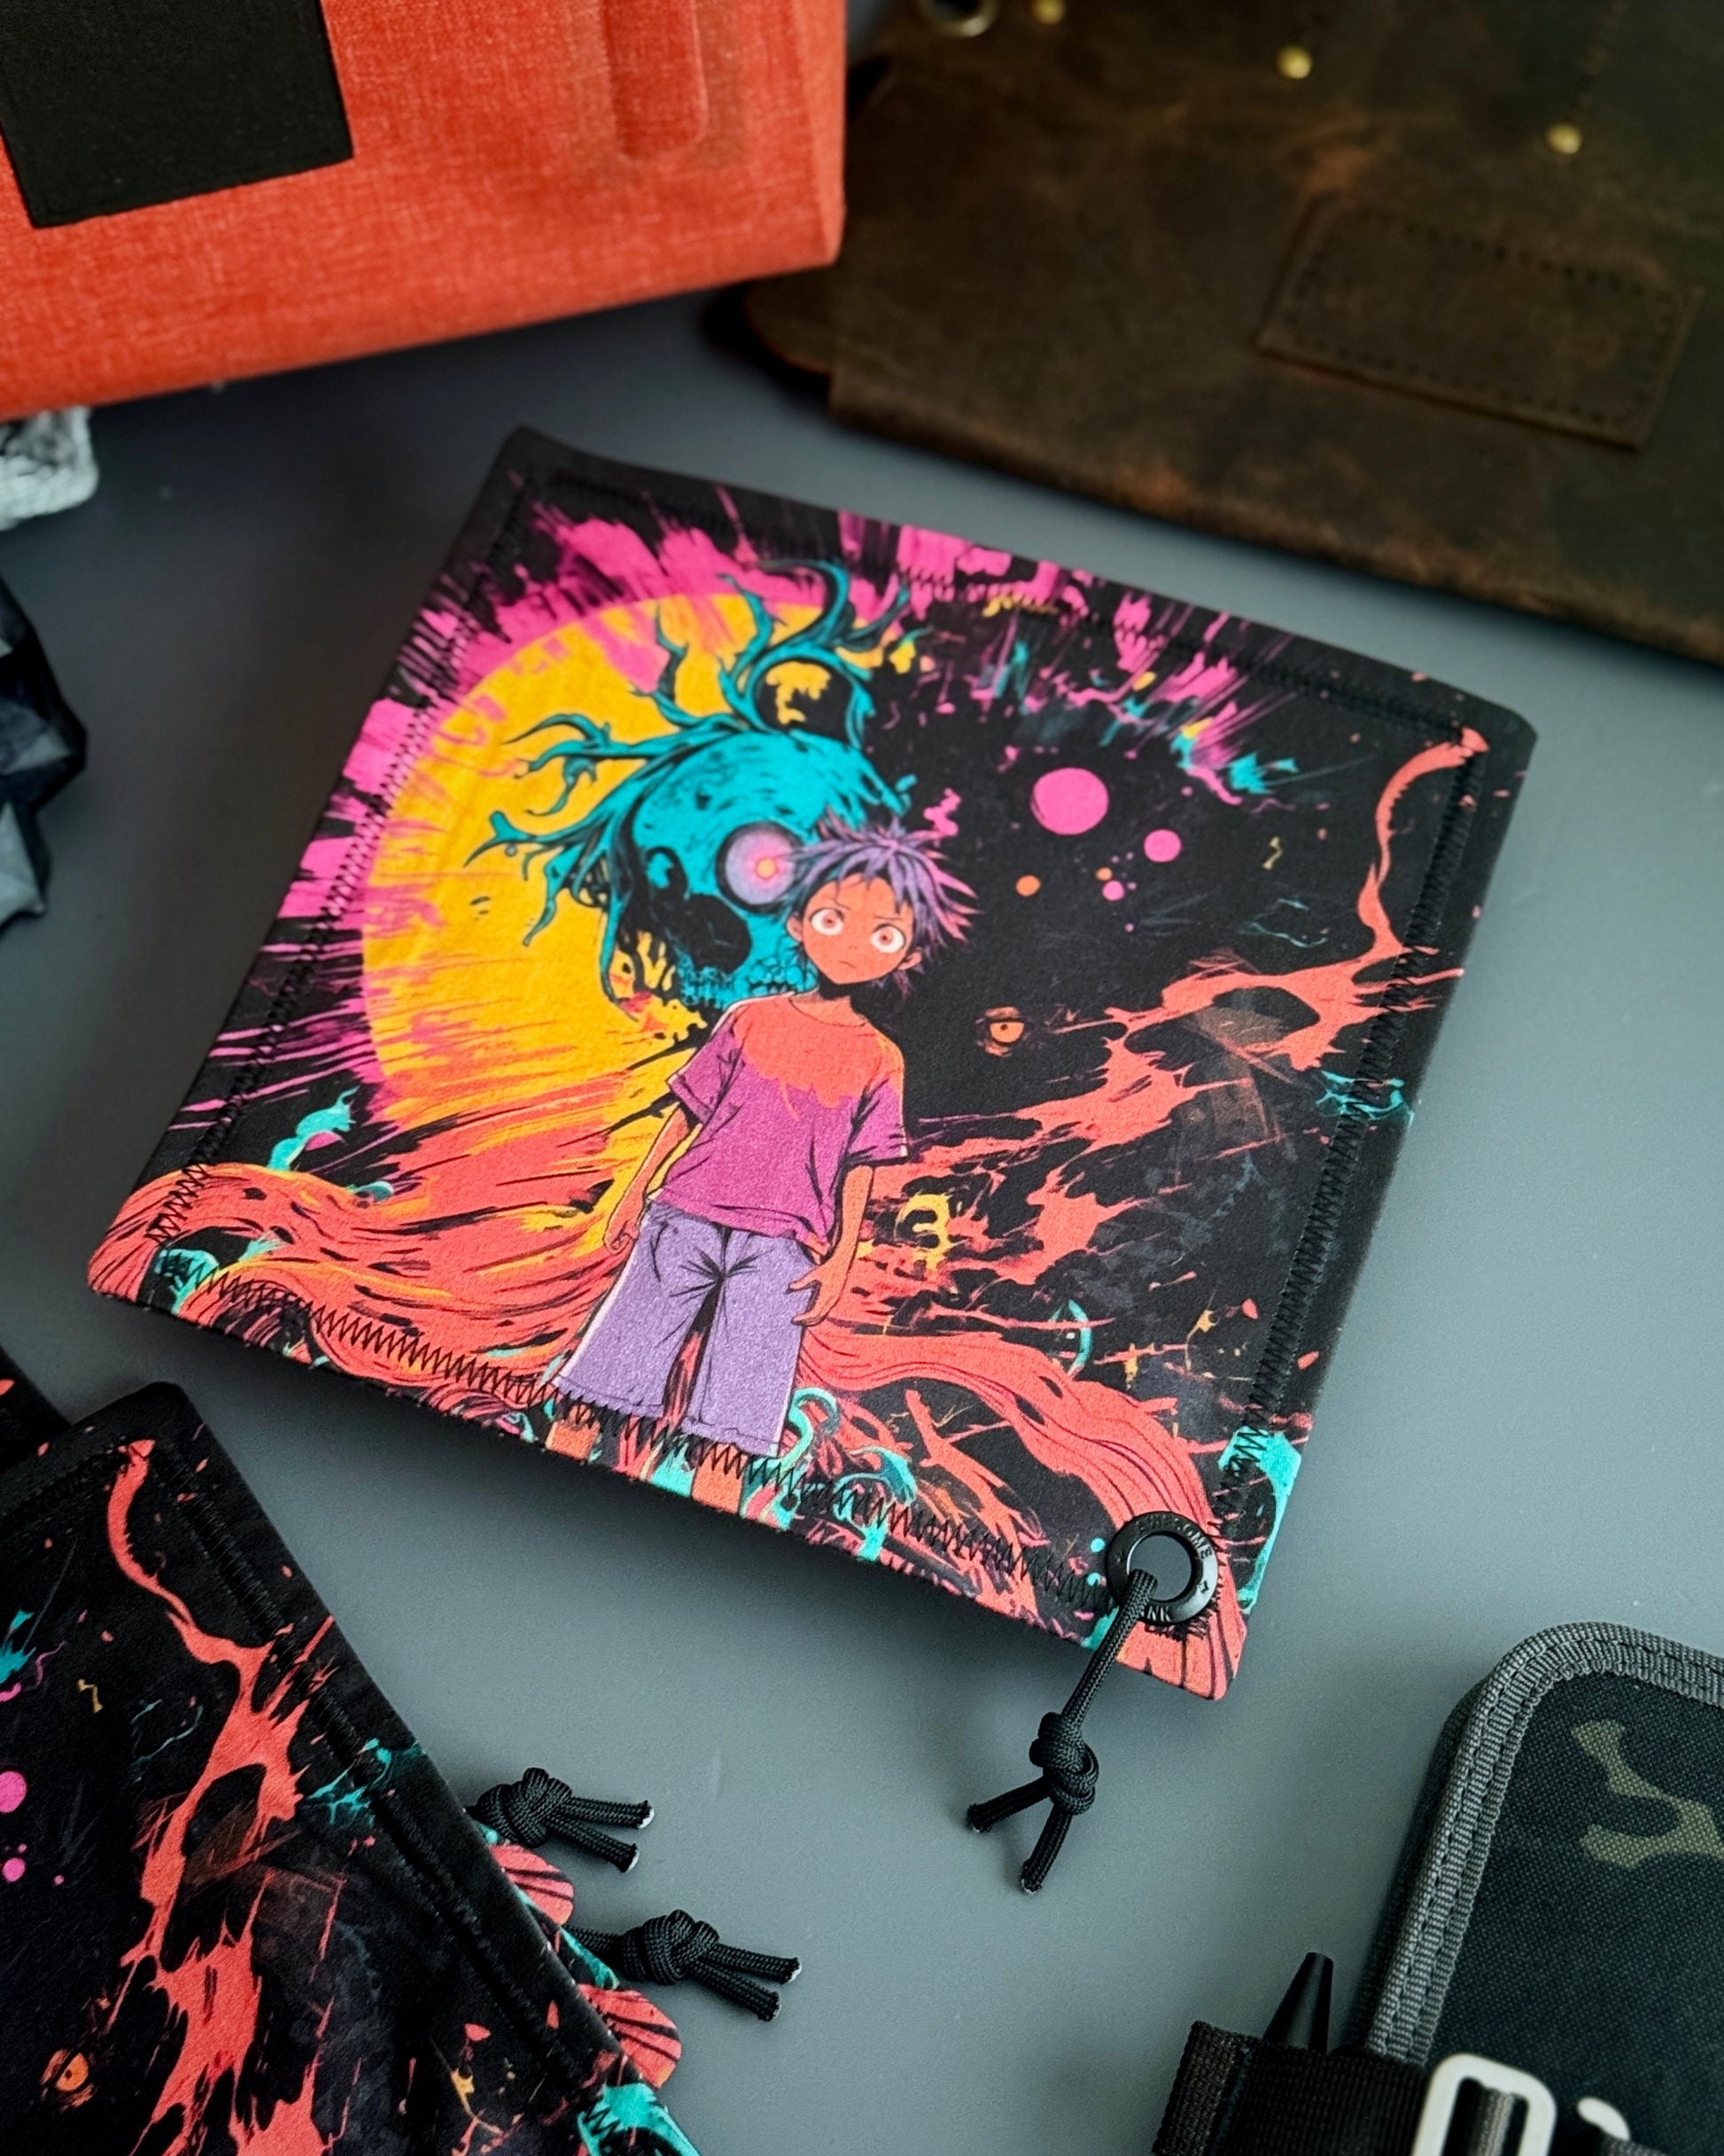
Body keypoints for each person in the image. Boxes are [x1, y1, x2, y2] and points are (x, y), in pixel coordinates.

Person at [554, 814, 973, 1456]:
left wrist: (841, 1259)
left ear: (909, 954)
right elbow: (688, 1111)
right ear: (799, 921)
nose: (853, 944)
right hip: (686, 1215)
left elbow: (861, 1166)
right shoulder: (748, 1019)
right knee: (601, 1385)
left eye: (883, 933)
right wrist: (634, 1190)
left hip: (787, 1248)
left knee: (736, 1427)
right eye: (833, 919)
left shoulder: (880, 1058)